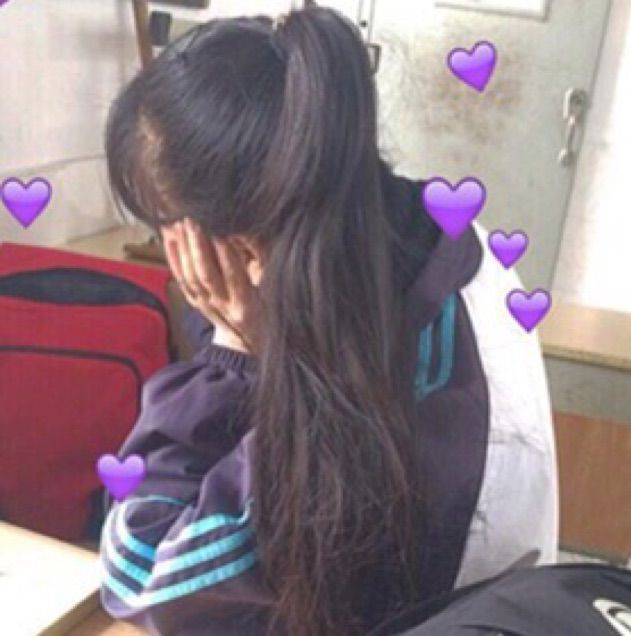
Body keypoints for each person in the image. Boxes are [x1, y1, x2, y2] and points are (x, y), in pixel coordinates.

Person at [99, 6, 558, 635]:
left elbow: (139, 567)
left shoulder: (400, 397)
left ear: (241, 253)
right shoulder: (427, 238)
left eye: (167, 231)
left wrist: (235, 356)